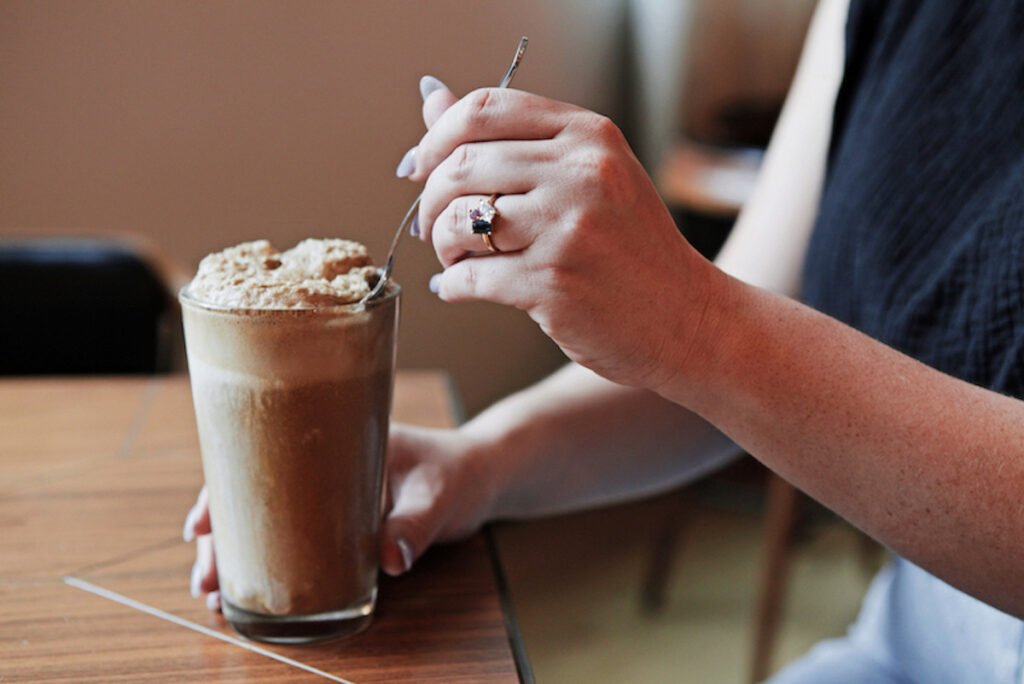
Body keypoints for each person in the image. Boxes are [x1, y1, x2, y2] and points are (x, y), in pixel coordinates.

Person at [184, 0, 1024, 679]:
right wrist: (477, 463)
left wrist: (691, 318)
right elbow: (736, 378)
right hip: (914, 638)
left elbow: (726, 344)